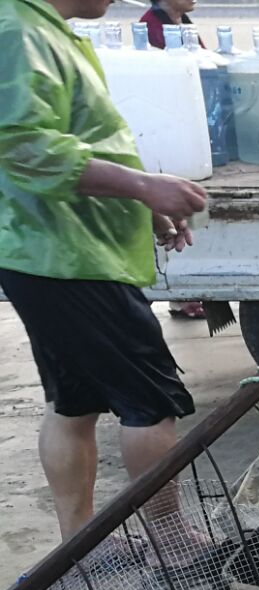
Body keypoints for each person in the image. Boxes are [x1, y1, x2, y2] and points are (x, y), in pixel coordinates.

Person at [2, 0, 211, 556]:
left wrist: (140, 203)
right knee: (150, 400)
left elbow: (82, 141)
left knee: (74, 401)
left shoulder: (44, 30)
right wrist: (145, 187)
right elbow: (25, 148)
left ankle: (81, 545)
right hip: (68, 255)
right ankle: (171, 540)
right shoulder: (15, 29)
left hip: (55, 251)